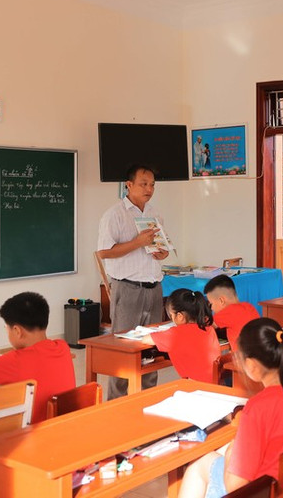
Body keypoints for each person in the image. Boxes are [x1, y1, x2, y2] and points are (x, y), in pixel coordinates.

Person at [178, 318, 283, 498]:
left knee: (197, 468)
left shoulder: (258, 408)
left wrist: (230, 452)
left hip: (269, 491)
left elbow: (235, 486)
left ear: (251, 365)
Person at [97, 163, 169, 399]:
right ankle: (116, 404)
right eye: (143, 184)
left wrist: (163, 253)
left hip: (153, 287)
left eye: (152, 185)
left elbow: (163, 247)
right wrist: (137, 243)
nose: (149, 189)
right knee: (122, 350)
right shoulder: (114, 214)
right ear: (128, 185)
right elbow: (104, 252)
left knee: (151, 349)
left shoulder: (155, 213)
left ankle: (147, 399)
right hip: (127, 288)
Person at [0, 291, 75, 423]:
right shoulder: (62, 347)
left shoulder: (17, 359)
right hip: (64, 428)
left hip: (32, 435)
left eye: (7, 328)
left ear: (17, 331)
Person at [141, 289, 220, 383]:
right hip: (217, 384)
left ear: (180, 316)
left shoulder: (176, 333)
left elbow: (146, 339)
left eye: (171, 316)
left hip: (197, 389)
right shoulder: (208, 328)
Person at [203, 274, 260, 351]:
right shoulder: (249, 306)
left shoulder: (229, 311)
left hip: (244, 359)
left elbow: (208, 323)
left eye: (211, 304)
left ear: (221, 301)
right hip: (259, 355)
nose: (211, 308)